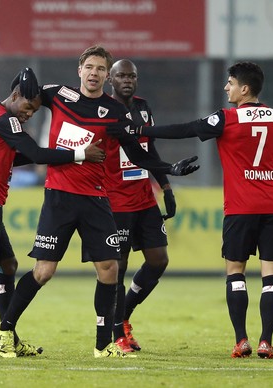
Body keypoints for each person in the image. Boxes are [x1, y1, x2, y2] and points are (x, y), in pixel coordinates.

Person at [0, 45, 199, 359]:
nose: (94, 73)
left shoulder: (116, 111)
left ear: (107, 75)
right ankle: (6, 329)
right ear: (79, 70)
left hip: (97, 198)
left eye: (100, 69)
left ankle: (104, 344)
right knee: (44, 271)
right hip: (59, 197)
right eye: (89, 67)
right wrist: (8, 123)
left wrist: (169, 170)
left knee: (109, 269)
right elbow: (22, 99)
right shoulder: (58, 94)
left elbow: (137, 153)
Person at [135, 61, 273, 359]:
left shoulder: (226, 119)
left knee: (235, 271)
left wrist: (142, 130)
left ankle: (241, 340)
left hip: (241, 208)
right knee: (272, 276)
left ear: (244, 88)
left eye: (230, 83)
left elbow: (186, 129)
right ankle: (266, 341)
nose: (225, 87)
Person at [0, 67, 107, 360]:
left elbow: (22, 155)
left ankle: (8, 336)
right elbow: (35, 154)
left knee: (9, 265)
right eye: (28, 107)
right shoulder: (4, 119)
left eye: (35, 111)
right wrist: (78, 154)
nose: (29, 115)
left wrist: (57, 156)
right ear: (15, 95)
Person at [105, 59, 175, 353]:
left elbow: (150, 147)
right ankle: (117, 332)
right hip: (115, 200)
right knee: (118, 268)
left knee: (159, 259)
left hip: (144, 198)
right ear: (111, 79)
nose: (127, 80)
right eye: (121, 75)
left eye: (131, 76)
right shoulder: (102, 109)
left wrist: (166, 186)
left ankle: (123, 316)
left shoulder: (143, 107)